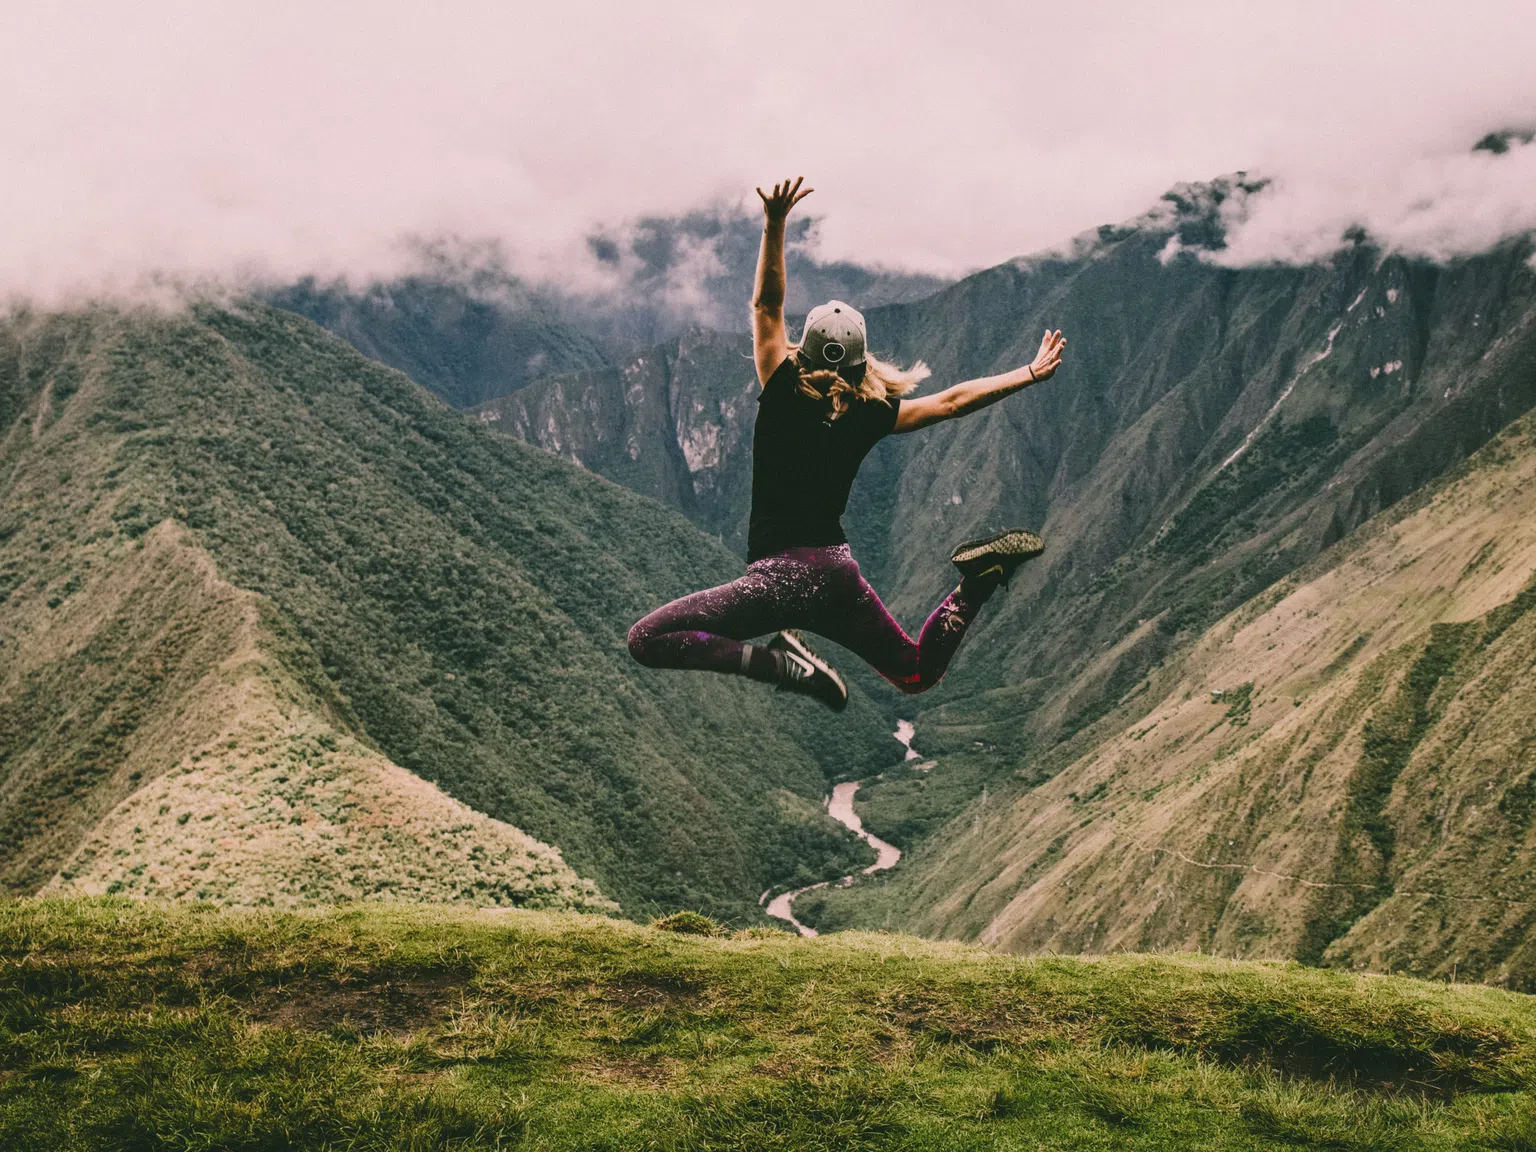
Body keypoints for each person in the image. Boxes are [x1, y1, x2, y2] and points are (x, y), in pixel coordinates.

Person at [627, 177, 1066, 710]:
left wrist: (774, 222)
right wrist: (1028, 373)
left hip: (779, 580)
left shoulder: (783, 387)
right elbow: (951, 402)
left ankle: (779, 665)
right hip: (837, 575)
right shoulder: (871, 412)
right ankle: (974, 585)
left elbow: (767, 305)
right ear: (862, 361)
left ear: (803, 350)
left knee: (647, 640)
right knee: (915, 672)